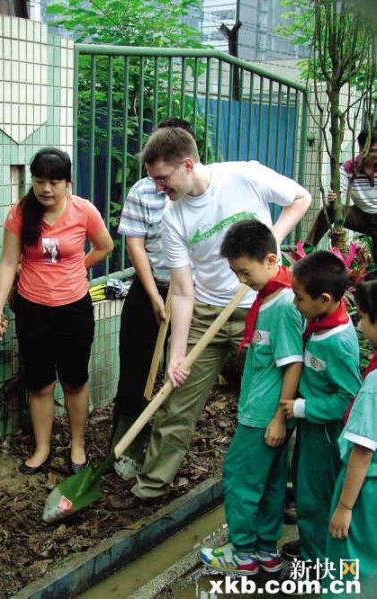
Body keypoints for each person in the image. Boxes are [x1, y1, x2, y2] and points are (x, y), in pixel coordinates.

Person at [108, 126, 311, 509]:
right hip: (206, 310)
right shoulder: (173, 218)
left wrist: (271, 238)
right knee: (177, 400)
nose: (158, 187)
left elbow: (301, 197)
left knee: (278, 402)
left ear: (187, 164)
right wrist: (177, 355)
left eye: (163, 178)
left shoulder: (243, 175)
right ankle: (152, 485)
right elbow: (182, 290)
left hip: (263, 307)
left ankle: (286, 489)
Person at [0, 148, 113, 475]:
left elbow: (105, 246)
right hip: (33, 311)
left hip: (74, 310)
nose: (46, 188)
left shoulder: (83, 211)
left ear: (67, 182)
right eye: (40, 181)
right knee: (40, 384)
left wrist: (78, 267)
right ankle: (42, 447)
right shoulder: (20, 213)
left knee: (74, 381)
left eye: (54, 182)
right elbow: (7, 262)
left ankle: (77, 444)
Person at [198, 220, 304, 575]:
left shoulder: (285, 305)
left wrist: (277, 417)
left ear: (271, 260)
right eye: (236, 274)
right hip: (263, 409)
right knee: (271, 482)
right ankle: (265, 553)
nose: (242, 281)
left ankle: (242, 553)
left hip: (263, 414)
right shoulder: (272, 296)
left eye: (245, 272)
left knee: (240, 477)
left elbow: (293, 366)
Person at [111, 118, 196, 480]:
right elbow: (135, 243)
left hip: (192, 294)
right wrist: (153, 296)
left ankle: (163, 452)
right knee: (136, 370)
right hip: (151, 288)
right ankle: (125, 446)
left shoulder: (200, 191)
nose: (161, 184)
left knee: (177, 375)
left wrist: (180, 299)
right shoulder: (142, 191)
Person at [280, 251, 361, 563]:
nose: (294, 304)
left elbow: (347, 396)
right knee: (306, 489)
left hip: (325, 433)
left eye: (299, 298)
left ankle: (318, 560)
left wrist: (303, 408)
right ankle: (313, 543)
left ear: (324, 299)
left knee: (315, 495)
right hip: (312, 427)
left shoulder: (336, 342)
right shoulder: (321, 321)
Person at [326, 279, 377, 599]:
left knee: (348, 564)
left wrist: (345, 506)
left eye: (364, 316)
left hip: (365, 491)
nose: (358, 323)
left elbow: (362, 450)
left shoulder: (373, 384)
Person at [305, 127, 377, 262]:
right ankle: (306, 250)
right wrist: (334, 199)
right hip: (360, 215)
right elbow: (338, 193)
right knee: (329, 209)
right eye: (373, 151)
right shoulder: (348, 168)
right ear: (362, 149)